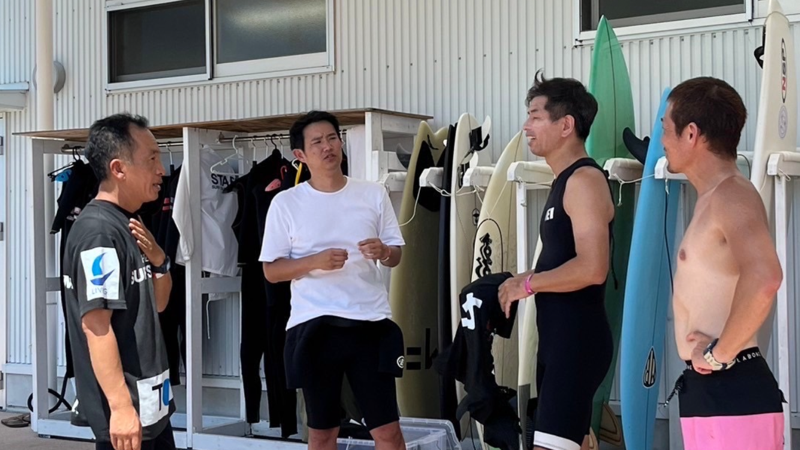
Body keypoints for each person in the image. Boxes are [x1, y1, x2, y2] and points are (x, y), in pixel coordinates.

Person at [259, 111, 407, 450]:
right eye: (317, 142)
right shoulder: (286, 203)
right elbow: (271, 271)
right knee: (322, 432)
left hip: (369, 324)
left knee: (388, 430)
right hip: (314, 327)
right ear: (300, 154)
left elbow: (396, 255)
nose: (327, 147)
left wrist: (384, 251)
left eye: (332, 138)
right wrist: (315, 261)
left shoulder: (373, 193)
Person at [661, 77, 784, 450]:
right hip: (710, 390)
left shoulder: (732, 195)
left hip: (731, 387)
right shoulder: (713, 198)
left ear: (691, 134)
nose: (662, 140)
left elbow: (766, 277)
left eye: (666, 128)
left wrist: (717, 357)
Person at [498, 72, 614, 450]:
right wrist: (518, 279)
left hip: (576, 344)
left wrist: (528, 285)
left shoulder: (584, 180)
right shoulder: (564, 181)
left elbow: (593, 267)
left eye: (535, 116)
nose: (526, 126)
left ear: (566, 125)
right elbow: (563, 261)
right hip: (559, 341)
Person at [62, 113, 176, 450]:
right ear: (118, 169)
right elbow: (96, 326)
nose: (161, 170)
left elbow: (158, 303)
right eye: (151, 159)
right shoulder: (98, 232)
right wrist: (122, 407)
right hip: (127, 416)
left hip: (152, 409)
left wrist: (160, 260)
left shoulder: (130, 223)